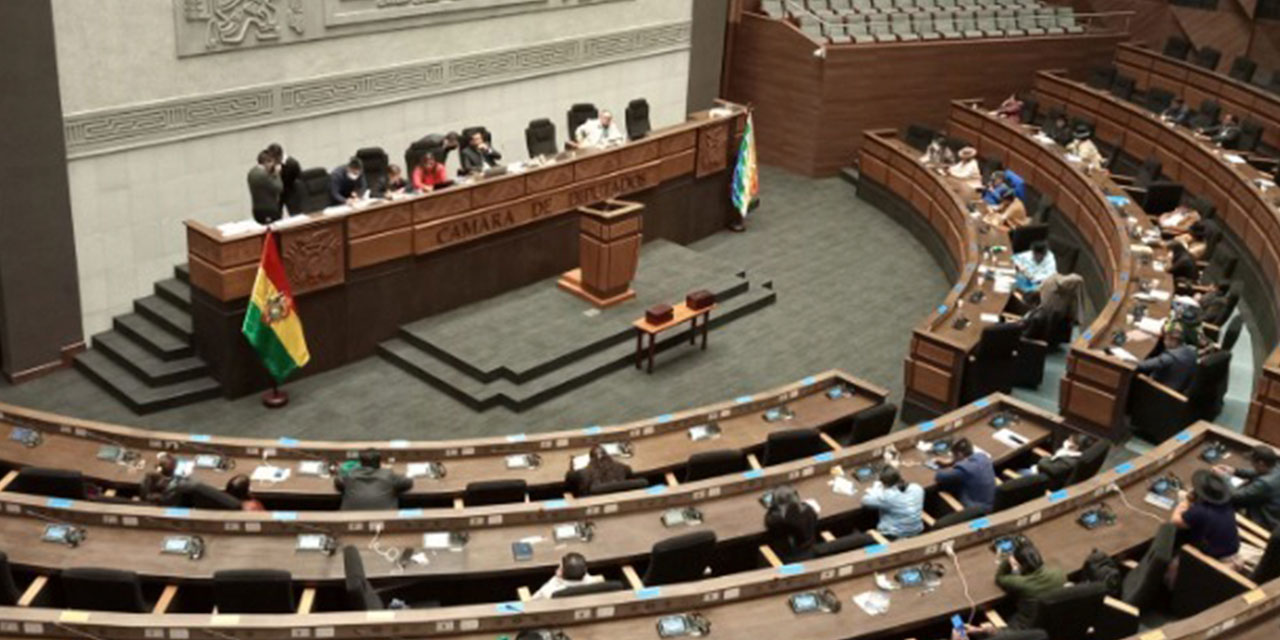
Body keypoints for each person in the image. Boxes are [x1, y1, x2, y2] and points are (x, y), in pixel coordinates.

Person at [1167, 469, 1240, 586]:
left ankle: (1171, 590)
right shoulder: (1226, 504)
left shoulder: (1200, 511)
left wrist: (1184, 502)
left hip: (1216, 561)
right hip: (1232, 553)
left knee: (1173, 566)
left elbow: (1175, 521)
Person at [994, 539, 1067, 629]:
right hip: (1054, 621)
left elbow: (999, 577)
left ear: (1020, 566)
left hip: (1026, 628)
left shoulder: (1019, 583)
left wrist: (1009, 559)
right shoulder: (1058, 573)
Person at [1217, 445, 1280, 530]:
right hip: (1273, 507)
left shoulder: (1265, 483)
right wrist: (1235, 471)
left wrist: (1224, 477)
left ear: (1261, 463)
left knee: (1226, 501)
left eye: (1253, 462)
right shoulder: (1275, 466)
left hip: (1265, 519)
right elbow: (1259, 472)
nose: (1251, 464)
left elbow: (1236, 495)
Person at [334, 449, 413, 511]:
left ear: (361, 463)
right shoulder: (387, 474)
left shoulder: (351, 474)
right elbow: (408, 482)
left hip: (350, 520)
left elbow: (338, 482)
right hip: (385, 521)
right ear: (379, 463)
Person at [1136, 319, 1199, 393]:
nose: (1164, 341)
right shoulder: (1192, 352)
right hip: (1177, 389)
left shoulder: (1168, 358)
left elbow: (1143, 365)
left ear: (1172, 339)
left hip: (1160, 392)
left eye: (1165, 338)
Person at [861, 466, 925, 539]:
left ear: (884, 484)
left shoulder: (888, 497)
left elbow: (865, 501)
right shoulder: (917, 488)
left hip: (893, 536)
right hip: (917, 532)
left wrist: (877, 492)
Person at [935, 437, 996, 511]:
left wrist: (939, 467)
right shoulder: (983, 457)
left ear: (960, 454)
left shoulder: (963, 470)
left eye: (954, 455)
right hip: (991, 501)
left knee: (943, 488)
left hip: (976, 509)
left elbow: (940, 477)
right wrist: (952, 462)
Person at [1021, 272, 1084, 343]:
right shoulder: (1071, 292)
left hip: (1039, 320)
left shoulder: (1052, 279)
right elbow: (1075, 315)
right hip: (1050, 323)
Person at [764, 485, 819, 561]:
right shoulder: (809, 509)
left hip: (792, 556)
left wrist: (772, 508)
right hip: (811, 548)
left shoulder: (780, 520)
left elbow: (768, 520)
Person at [531, 552, 602, 599]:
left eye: (560, 567)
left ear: (559, 572)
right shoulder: (593, 585)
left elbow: (530, 604)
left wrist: (519, 607)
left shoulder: (548, 591)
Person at [567, 444, 632, 495]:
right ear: (607, 455)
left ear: (591, 458)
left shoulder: (584, 473)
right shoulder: (623, 468)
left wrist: (572, 467)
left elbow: (569, 478)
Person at [247, 150, 283, 225]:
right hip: (269, 211)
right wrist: (277, 174)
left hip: (257, 210)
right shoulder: (264, 175)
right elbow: (279, 188)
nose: (273, 165)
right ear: (266, 162)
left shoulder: (251, 172)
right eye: (272, 162)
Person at [266, 143, 301, 214]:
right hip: (280, 196)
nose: (272, 161)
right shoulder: (273, 166)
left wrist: (278, 175)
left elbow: (297, 181)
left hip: (292, 194)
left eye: (272, 159)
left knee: (295, 214)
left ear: (278, 157)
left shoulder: (292, 163)